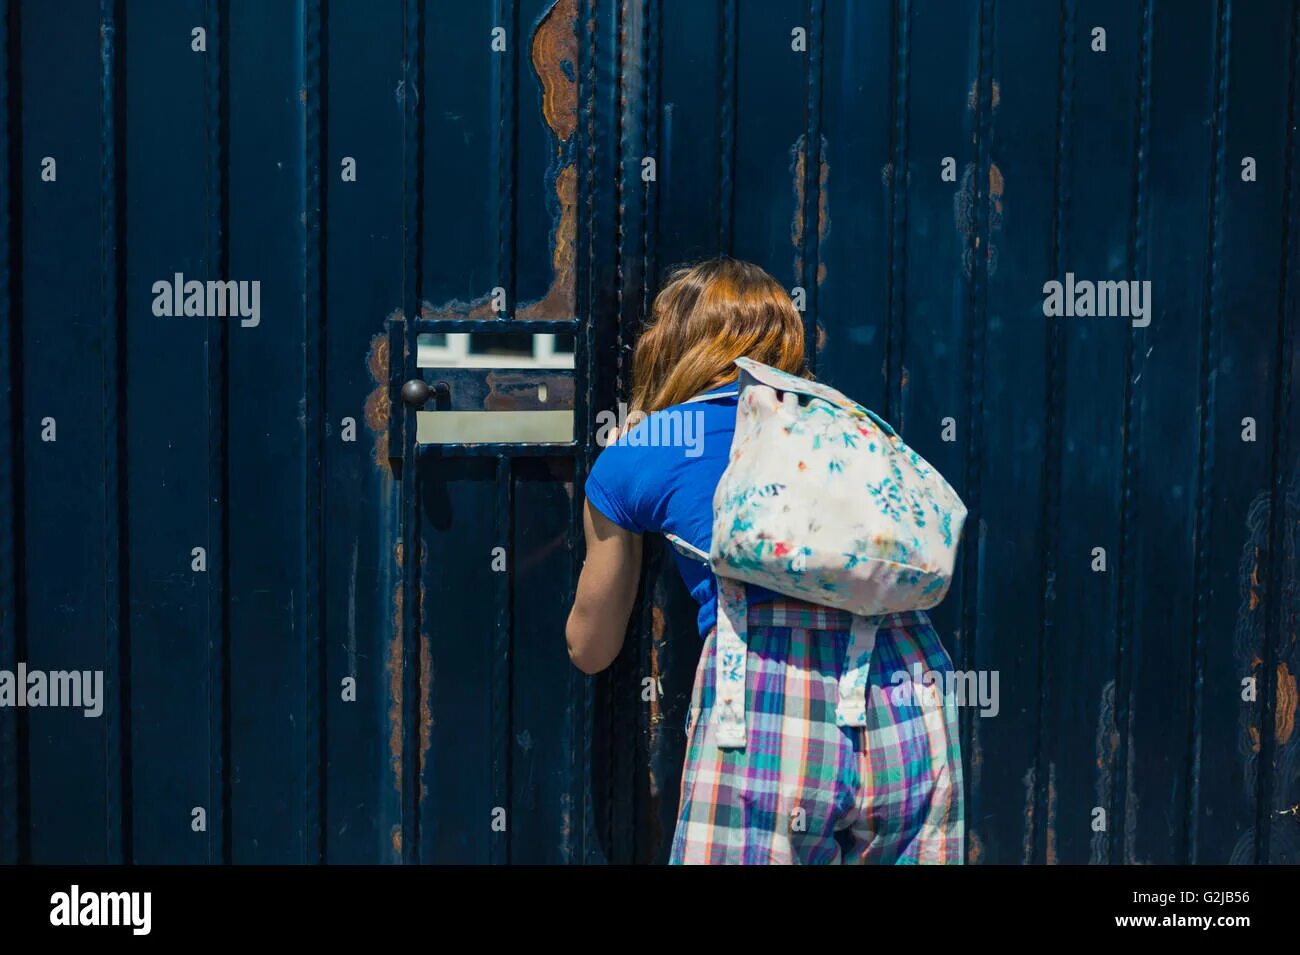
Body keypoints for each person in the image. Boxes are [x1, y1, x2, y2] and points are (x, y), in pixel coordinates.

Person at [565, 257, 964, 864]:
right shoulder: (845, 426)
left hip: (772, 701)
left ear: (670, 345)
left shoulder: (650, 446)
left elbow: (592, 649)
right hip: (909, 687)